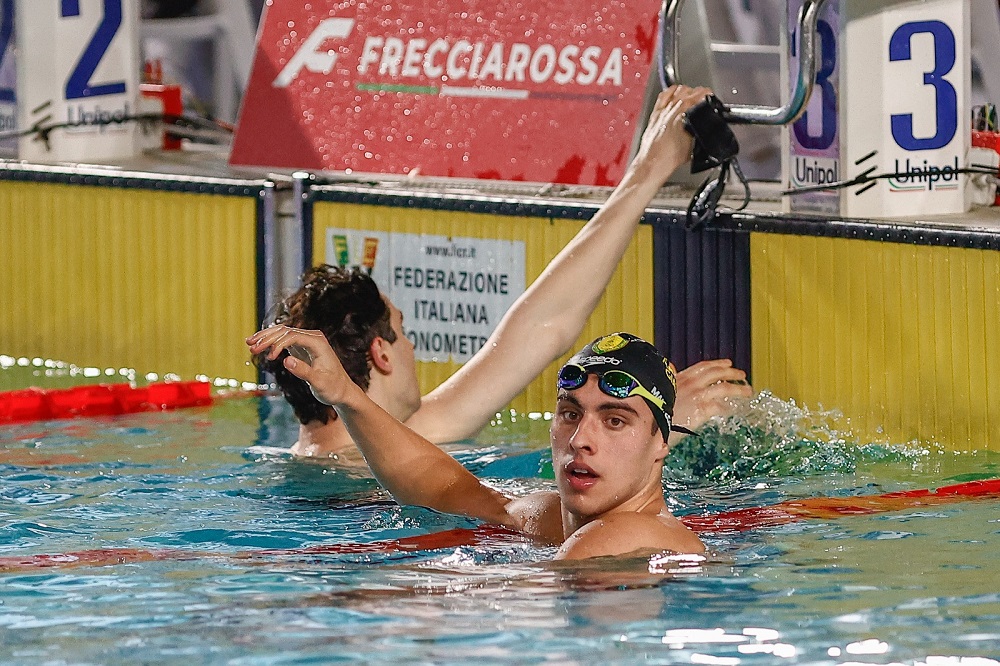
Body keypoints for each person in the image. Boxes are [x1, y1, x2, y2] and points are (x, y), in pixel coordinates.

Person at [252, 84, 753, 459]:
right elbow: (546, 508)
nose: (412, 349)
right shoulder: (376, 472)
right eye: (403, 333)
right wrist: (660, 435)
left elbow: (541, 328)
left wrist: (649, 167)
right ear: (380, 353)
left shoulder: (386, 441)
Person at [247, 329, 705, 558]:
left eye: (615, 421)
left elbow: (501, 608)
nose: (581, 440)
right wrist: (345, 394)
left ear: (659, 443)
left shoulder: (627, 535)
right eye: (570, 413)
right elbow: (445, 489)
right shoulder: (551, 518)